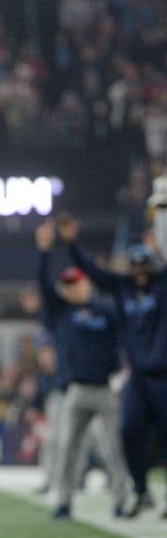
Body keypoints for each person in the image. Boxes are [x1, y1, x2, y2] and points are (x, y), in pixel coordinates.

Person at [59, 213, 167, 518]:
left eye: (145, 265)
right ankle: (142, 492)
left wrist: (160, 231)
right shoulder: (123, 289)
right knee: (129, 431)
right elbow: (91, 270)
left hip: (163, 374)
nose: (141, 272)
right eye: (136, 266)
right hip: (138, 376)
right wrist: (72, 244)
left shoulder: (162, 287)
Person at [34, 220, 129, 520]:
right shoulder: (62, 312)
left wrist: (73, 246)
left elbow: (105, 282)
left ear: (87, 283)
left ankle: (121, 500)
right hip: (74, 389)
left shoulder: (107, 310)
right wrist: (45, 252)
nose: (72, 288)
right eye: (68, 284)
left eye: (77, 282)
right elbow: (43, 285)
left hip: (104, 388)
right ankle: (63, 502)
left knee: (114, 450)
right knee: (66, 449)